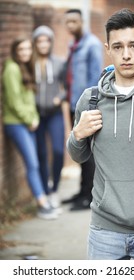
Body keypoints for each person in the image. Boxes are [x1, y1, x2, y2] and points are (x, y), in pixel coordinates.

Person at [67, 8, 134, 260]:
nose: (126, 55)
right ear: (107, 49)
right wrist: (78, 134)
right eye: (118, 47)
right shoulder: (91, 99)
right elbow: (78, 156)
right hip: (105, 232)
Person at [2, 36, 58, 220]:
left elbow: (29, 100)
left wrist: (33, 118)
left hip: (28, 123)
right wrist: (30, 119)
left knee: (35, 161)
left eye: (27, 49)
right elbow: (14, 101)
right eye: (21, 50)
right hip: (16, 124)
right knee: (32, 163)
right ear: (15, 51)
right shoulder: (11, 69)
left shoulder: (24, 67)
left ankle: (44, 201)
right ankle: (42, 205)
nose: (25, 53)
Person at [63, 9, 103, 211]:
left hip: (85, 107)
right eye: (67, 22)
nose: (70, 25)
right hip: (73, 105)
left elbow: (96, 79)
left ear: (82, 21)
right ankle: (81, 191)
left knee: (88, 153)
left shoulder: (92, 45)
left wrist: (90, 107)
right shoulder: (73, 45)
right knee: (79, 149)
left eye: (74, 21)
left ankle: (88, 196)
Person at [32, 26, 70, 212]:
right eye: (40, 41)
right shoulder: (30, 64)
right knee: (40, 154)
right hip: (37, 115)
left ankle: (54, 190)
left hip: (54, 113)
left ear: (51, 42)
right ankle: (45, 192)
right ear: (35, 43)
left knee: (57, 151)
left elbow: (66, 87)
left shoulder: (59, 62)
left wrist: (60, 98)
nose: (43, 44)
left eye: (47, 40)